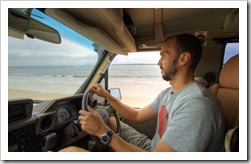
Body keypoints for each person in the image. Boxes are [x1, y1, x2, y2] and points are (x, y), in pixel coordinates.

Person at [59, 34, 225, 152]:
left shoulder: (196, 105)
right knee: (109, 119)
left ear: (183, 59)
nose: (158, 62)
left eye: (164, 56)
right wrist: (107, 96)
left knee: (70, 153)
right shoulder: (168, 93)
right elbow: (136, 116)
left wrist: (102, 132)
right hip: (152, 148)